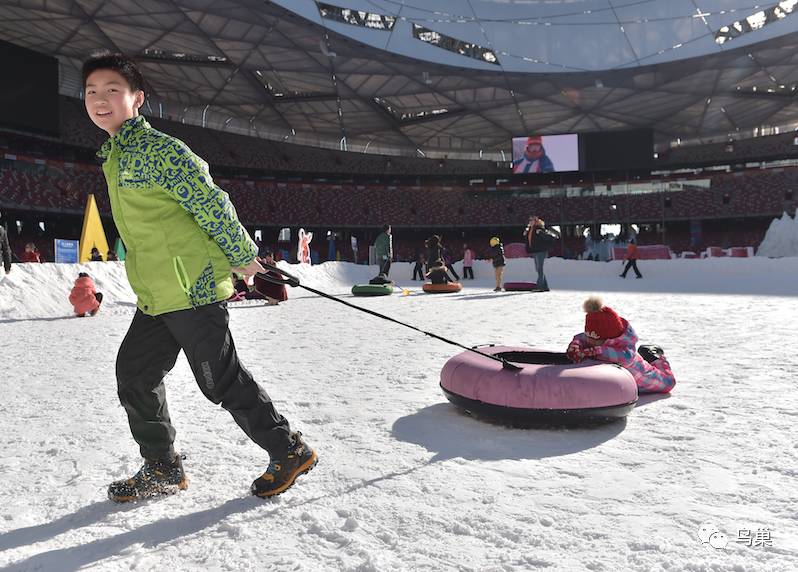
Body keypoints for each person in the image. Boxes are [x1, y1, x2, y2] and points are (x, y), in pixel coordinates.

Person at [83, 51, 315, 502]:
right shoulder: (115, 154)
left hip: (191, 288)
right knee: (134, 374)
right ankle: (163, 468)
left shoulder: (160, 151)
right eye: (92, 91)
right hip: (157, 293)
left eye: (113, 90)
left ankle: (289, 450)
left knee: (218, 380)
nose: (101, 99)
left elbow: (210, 202)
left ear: (138, 99)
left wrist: (245, 256)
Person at [566, 296, 675, 394]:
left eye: (596, 340)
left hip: (646, 380)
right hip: (626, 381)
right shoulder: (593, 340)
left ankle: (654, 356)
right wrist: (575, 345)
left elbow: (625, 358)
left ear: (610, 339)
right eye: (589, 337)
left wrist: (592, 351)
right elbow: (581, 338)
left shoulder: (625, 352)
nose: (590, 342)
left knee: (668, 382)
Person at [524, 217, 558, 292]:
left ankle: (539, 286)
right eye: (530, 220)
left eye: (532, 220)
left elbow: (548, 237)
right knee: (538, 269)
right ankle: (545, 287)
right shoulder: (530, 229)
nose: (530, 222)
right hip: (535, 251)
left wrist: (541, 233)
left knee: (540, 269)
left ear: (536, 222)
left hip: (540, 251)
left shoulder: (539, 229)